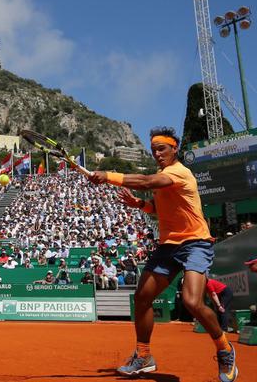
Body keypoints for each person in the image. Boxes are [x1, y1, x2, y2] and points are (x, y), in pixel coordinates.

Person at [89, 126, 237, 381]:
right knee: (142, 298)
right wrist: (141, 205)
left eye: (162, 149)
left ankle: (224, 349)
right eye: (154, 150)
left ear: (174, 148)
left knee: (192, 302)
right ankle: (144, 356)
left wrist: (107, 175)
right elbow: (160, 209)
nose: (157, 153)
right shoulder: (163, 175)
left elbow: (146, 182)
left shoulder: (179, 172)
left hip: (195, 243)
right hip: (168, 245)